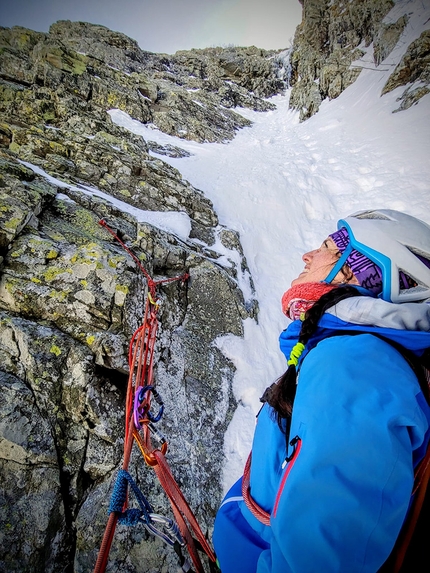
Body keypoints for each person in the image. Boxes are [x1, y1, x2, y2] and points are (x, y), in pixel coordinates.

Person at [212, 209, 430, 573]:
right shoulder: (358, 356)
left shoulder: (352, 366)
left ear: (356, 271)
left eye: (328, 247)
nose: (308, 256)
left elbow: (321, 554)